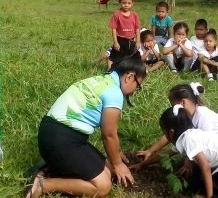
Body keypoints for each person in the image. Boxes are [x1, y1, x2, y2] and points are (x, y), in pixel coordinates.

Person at [26, 55, 147, 198]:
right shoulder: (114, 92)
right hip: (62, 141)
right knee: (102, 187)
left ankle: (50, 168)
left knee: (109, 172)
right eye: (138, 87)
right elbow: (108, 135)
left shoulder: (100, 80)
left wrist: (116, 157)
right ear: (129, 77)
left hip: (51, 134)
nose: (134, 92)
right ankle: (44, 185)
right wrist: (119, 164)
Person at [136, 82, 218, 165]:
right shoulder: (186, 115)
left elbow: (204, 145)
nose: (172, 108)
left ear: (183, 102)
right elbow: (169, 134)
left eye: (172, 105)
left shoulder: (203, 116)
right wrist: (151, 151)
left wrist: (189, 162)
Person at [108, 0, 141, 66]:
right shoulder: (116, 14)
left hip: (131, 41)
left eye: (129, 3)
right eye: (124, 3)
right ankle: (109, 71)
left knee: (132, 57)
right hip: (120, 40)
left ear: (133, 3)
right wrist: (116, 42)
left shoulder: (134, 15)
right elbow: (114, 29)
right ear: (120, 3)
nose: (126, 5)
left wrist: (138, 41)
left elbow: (137, 29)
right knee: (113, 57)